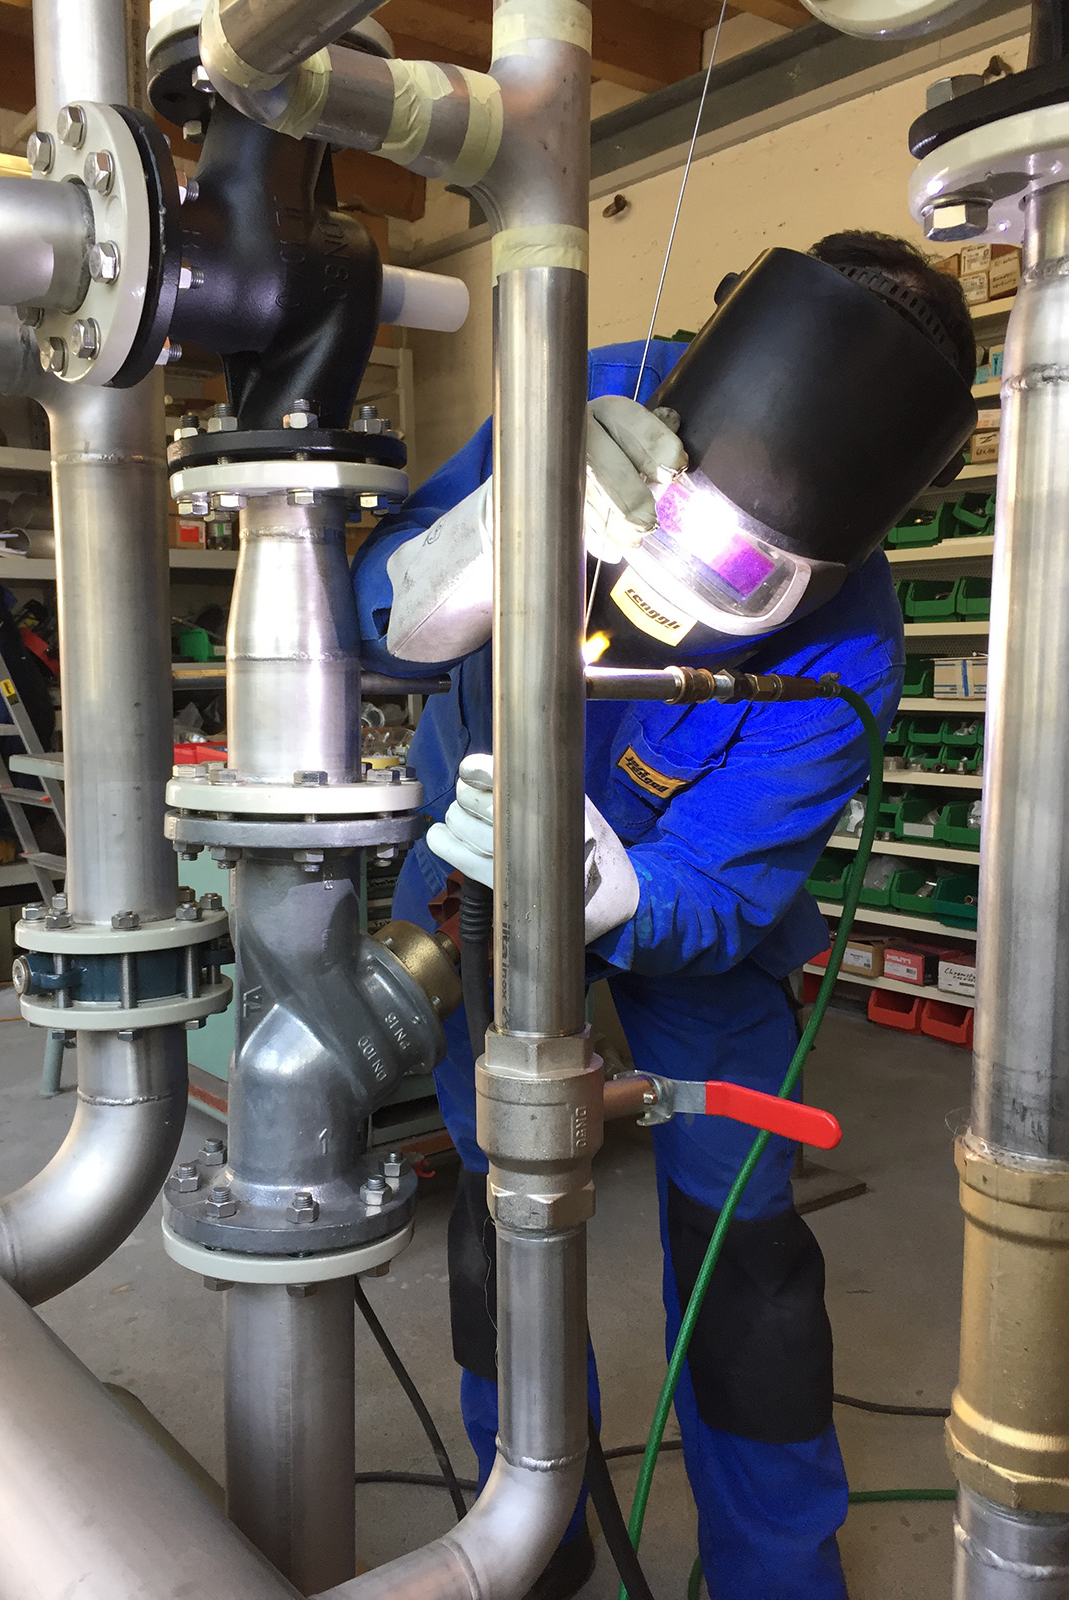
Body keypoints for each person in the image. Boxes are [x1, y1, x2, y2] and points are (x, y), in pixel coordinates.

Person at [352, 232, 975, 1600]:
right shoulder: (589, 402)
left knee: (745, 1245)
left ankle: (775, 1571)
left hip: (686, 904)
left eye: (747, 574)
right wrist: (487, 539)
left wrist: (618, 893)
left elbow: (725, 887)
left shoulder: (848, 654)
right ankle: (529, 1526)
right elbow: (368, 606)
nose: (682, 594)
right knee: (504, 1201)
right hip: (471, 846)